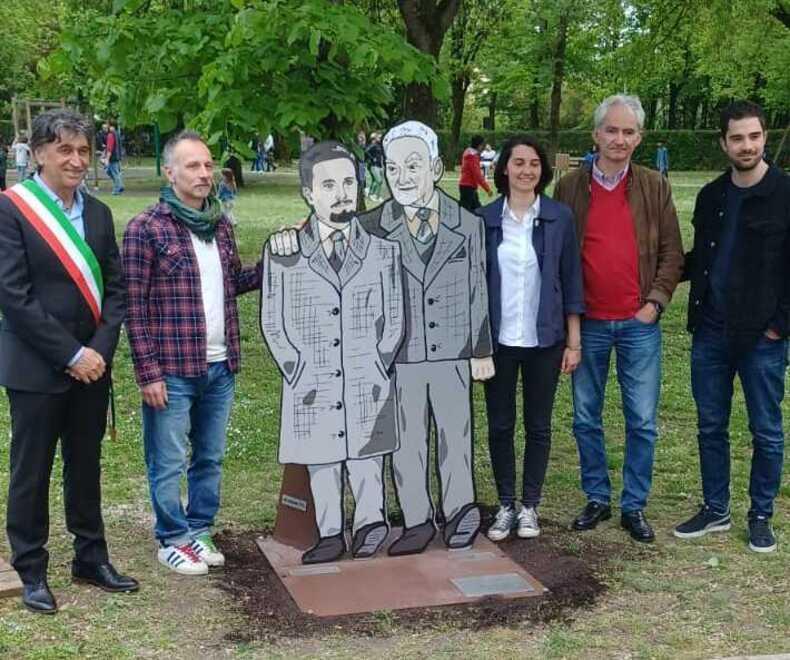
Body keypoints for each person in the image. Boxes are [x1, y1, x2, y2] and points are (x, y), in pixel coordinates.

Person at [271, 120, 495, 556]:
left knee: (455, 432)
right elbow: (323, 231)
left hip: (451, 350)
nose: (404, 177)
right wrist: (288, 237)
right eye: (393, 169)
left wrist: (481, 348)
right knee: (406, 438)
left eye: (414, 166)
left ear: (436, 167)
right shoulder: (372, 224)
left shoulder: (467, 224)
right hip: (397, 353)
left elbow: (477, 288)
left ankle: (460, 509)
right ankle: (415, 519)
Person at [0, 109, 138, 615]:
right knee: (31, 471)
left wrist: (98, 350)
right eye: (66, 150)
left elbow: (116, 290)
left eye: (84, 150)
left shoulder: (98, 213)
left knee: (86, 466)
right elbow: (13, 296)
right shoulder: (12, 210)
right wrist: (70, 354)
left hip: (92, 368)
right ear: (38, 154)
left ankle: (90, 556)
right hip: (37, 368)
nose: (78, 160)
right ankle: (30, 568)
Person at [122, 130, 262, 575]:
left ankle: (199, 528)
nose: (204, 174)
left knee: (210, 456)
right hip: (173, 369)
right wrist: (148, 373)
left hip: (220, 365)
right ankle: (172, 537)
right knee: (167, 458)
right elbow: (134, 307)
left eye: (207, 165)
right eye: (192, 166)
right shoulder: (146, 229)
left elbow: (234, 282)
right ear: (170, 172)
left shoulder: (220, 225)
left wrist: (279, 258)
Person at [261, 141, 404, 564]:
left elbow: (394, 317)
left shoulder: (383, 251)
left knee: (366, 455)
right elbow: (272, 320)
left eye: (348, 182)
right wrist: (296, 368)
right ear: (308, 192)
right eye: (328, 184)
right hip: (312, 378)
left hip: (366, 373)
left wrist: (379, 360)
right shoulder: (285, 252)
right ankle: (329, 531)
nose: (342, 192)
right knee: (322, 458)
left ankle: (370, 523)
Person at [553, 95, 684, 543]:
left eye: (629, 132)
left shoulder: (654, 186)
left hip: (637, 324)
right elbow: (558, 256)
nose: (620, 139)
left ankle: (634, 505)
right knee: (586, 417)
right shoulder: (570, 187)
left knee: (642, 420)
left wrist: (655, 303)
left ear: (639, 138)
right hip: (587, 323)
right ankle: (597, 497)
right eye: (612, 130)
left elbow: (671, 253)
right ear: (596, 135)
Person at [674, 101, 790, 553]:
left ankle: (761, 514)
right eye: (737, 138)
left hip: (763, 338)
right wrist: (649, 273)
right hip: (711, 333)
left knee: (766, 430)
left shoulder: (785, 193)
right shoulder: (710, 197)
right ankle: (715, 508)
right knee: (710, 425)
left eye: (754, 136)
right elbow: (700, 259)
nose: (747, 145)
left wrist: (779, 327)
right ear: (723, 143)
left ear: (764, 138)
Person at [478, 136, 584, 542]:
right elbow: (473, 286)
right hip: (498, 343)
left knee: (538, 426)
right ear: (504, 168)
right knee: (500, 425)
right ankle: (505, 505)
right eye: (518, 162)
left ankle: (530, 507)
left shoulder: (560, 217)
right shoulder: (485, 220)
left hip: (545, 341)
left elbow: (571, 280)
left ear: (544, 170)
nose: (526, 170)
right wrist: (476, 344)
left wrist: (573, 342)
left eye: (535, 163)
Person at [458, 134, 492, 212]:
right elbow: (477, 175)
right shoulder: (473, 156)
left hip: (467, 187)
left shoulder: (467, 152)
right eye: (482, 145)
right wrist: (488, 189)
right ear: (479, 146)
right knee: (469, 211)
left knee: (476, 209)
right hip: (468, 187)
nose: (483, 148)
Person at [102, 121, 124, 195]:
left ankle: (117, 189)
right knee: (113, 172)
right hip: (117, 156)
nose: (106, 126)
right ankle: (119, 186)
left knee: (113, 172)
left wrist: (107, 158)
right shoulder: (117, 134)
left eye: (107, 125)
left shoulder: (111, 135)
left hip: (113, 157)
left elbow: (109, 147)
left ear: (110, 125)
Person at [364, 132, 385, 202]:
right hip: (374, 165)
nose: (380, 139)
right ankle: (371, 194)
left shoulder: (379, 145)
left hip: (379, 165)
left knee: (377, 181)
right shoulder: (373, 145)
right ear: (375, 138)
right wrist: (372, 158)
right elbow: (366, 150)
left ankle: (376, 195)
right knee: (378, 181)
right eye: (379, 137)